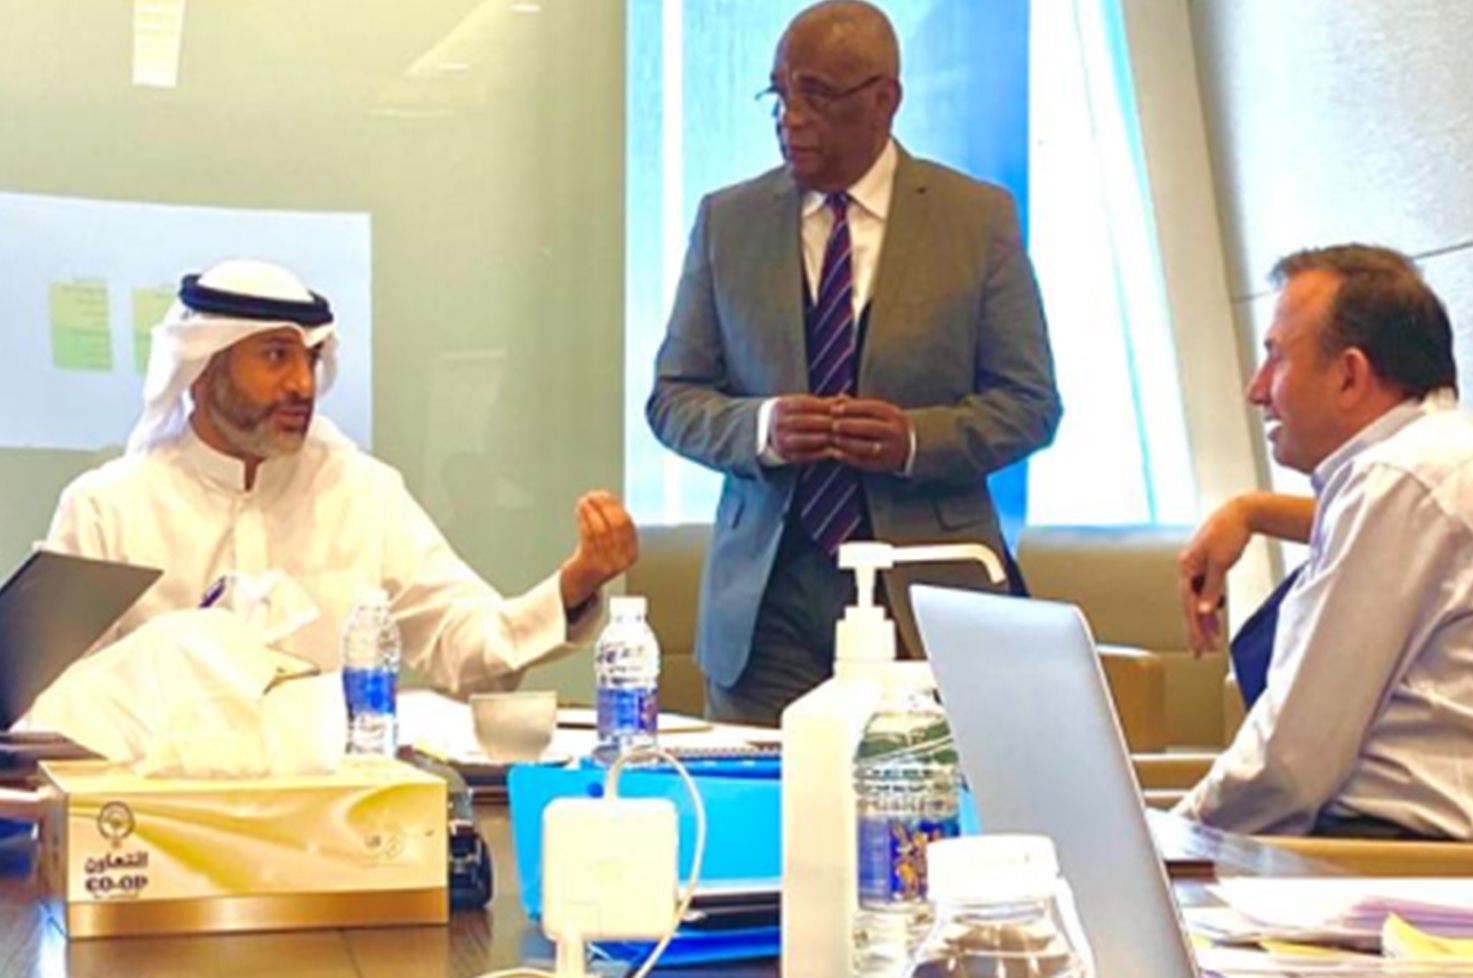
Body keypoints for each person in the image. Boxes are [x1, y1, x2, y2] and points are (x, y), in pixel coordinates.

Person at [646, 0, 1061, 724]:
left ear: (884, 100)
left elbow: (1029, 405)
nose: (791, 118)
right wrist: (763, 429)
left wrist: (913, 441)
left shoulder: (975, 219)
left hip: (923, 591)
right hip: (766, 600)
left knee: (913, 793)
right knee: (760, 793)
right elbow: (673, 398)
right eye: (780, 94)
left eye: (815, 95)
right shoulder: (727, 222)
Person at [46, 258, 637, 695]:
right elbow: (53, 698)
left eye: (311, 359)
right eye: (275, 357)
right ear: (201, 370)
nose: (302, 384)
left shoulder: (362, 493)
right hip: (159, 809)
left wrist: (574, 585)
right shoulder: (108, 508)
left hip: (337, 808)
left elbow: (463, 644)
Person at [1175, 243, 1473, 839]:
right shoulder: (1432, 461)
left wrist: (1171, 836)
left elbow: (1289, 765)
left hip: (1393, 854)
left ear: (1349, 376)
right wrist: (1252, 510)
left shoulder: (1396, 476)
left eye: (1275, 358)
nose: (1257, 390)